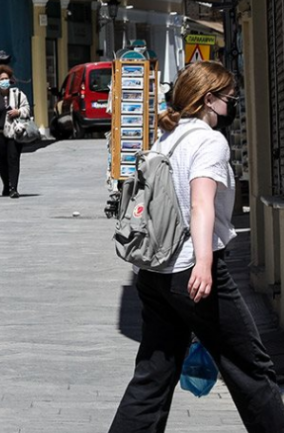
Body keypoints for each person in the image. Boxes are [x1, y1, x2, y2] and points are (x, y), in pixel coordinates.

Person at [108, 61, 284, 432]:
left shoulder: (167, 137)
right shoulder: (208, 141)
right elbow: (200, 202)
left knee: (154, 374)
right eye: (230, 98)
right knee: (251, 368)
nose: (232, 105)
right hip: (192, 269)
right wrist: (204, 262)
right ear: (209, 99)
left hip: (154, 271)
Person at [0, 65, 30, 198]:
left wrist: (18, 111)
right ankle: (6, 185)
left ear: (10, 79)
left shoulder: (18, 94)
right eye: (1, 79)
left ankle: (14, 188)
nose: (4, 81)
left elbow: (27, 109)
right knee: (2, 162)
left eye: (6, 78)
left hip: (15, 133)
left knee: (13, 159)